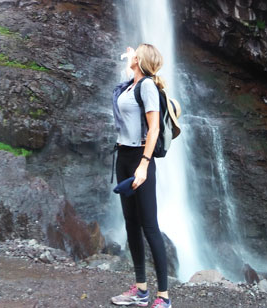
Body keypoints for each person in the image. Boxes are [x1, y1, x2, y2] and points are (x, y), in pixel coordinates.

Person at [110, 44, 172, 308]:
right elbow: (130, 83)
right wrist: (130, 60)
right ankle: (142, 290)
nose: (132, 55)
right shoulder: (130, 85)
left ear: (142, 60)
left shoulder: (147, 86)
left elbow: (155, 127)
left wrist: (144, 164)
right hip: (123, 156)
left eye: (137, 53)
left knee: (149, 226)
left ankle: (164, 298)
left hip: (139, 158)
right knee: (131, 224)